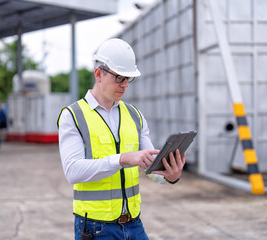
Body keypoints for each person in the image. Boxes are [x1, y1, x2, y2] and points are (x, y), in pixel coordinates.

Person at [57, 38, 186, 240]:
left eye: (128, 78)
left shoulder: (135, 115)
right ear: (98, 74)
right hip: (94, 228)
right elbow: (73, 171)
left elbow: (152, 169)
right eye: (119, 78)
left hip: (134, 224)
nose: (125, 85)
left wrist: (170, 175)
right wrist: (122, 159)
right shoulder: (73, 116)